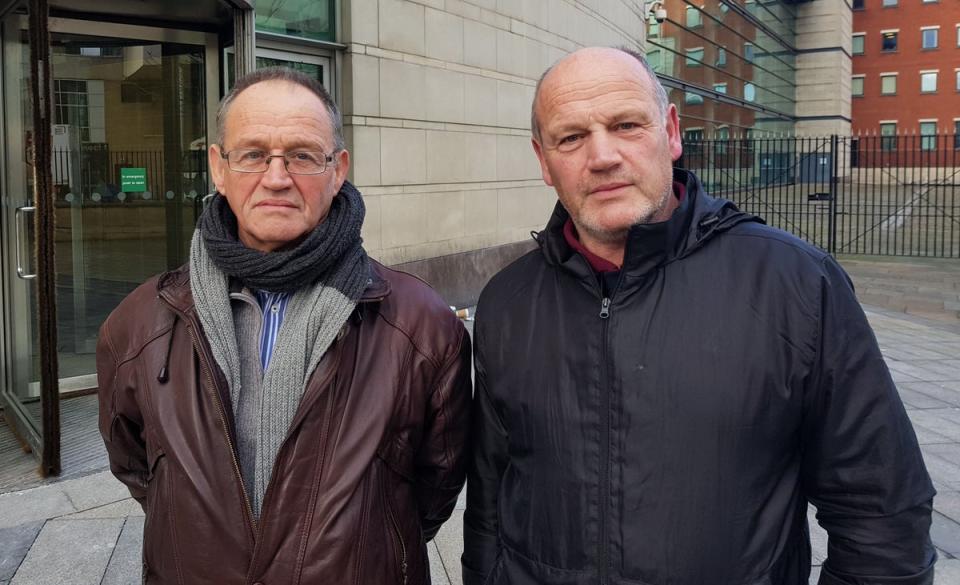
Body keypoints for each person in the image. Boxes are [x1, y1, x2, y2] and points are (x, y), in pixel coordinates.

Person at [462, 47, 935, 585]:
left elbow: (882, 516)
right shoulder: (507, 301)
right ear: (543, 160)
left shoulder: (796, 284)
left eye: (626, 125)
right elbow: (490, 502)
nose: (603, 156)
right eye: (570, 138)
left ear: (670, 132)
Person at [97, 67, 471, 584]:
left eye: (301, 155)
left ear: (338, 169)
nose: (277, 177)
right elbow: (140, 468)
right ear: (218, 168)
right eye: (253, 154)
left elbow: (433, 487)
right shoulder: (138, 325)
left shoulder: (422, 326)